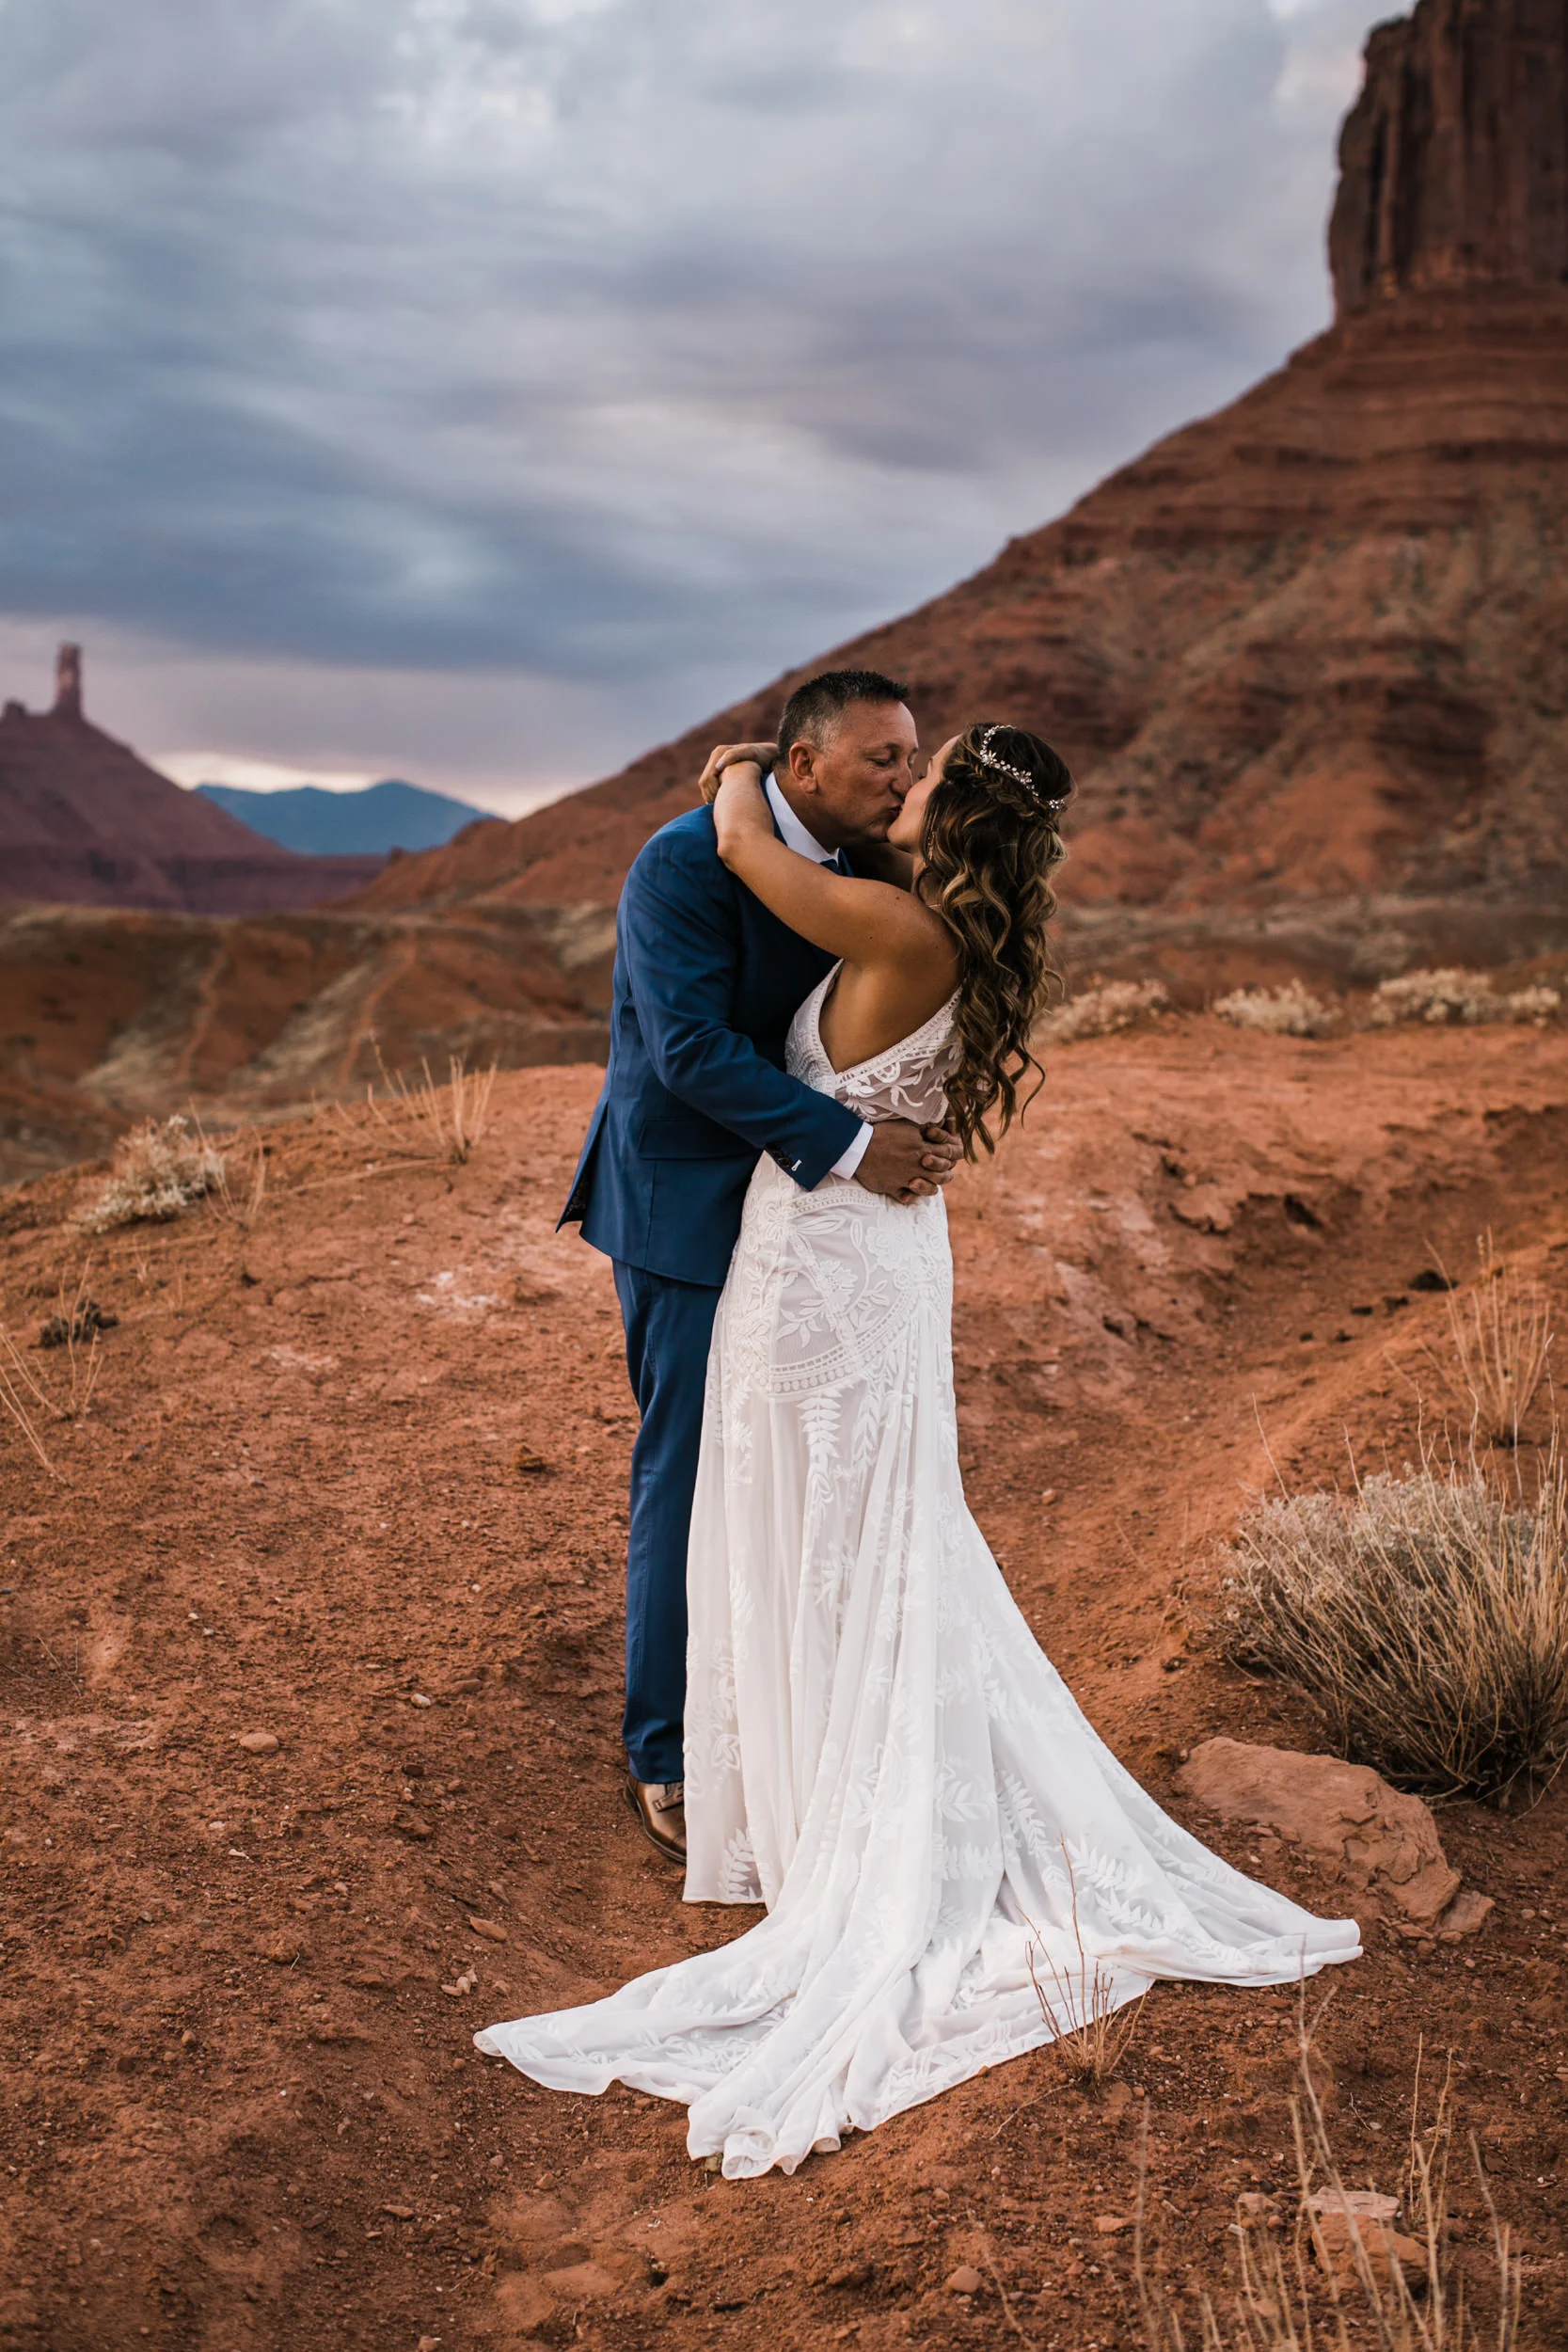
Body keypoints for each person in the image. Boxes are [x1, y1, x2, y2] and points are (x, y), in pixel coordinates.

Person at [480, 721, 1360, 2178]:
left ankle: (800, 1790)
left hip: (823, 1257)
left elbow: (749, 849)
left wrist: (723, 775)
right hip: (869, 1251)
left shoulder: (893, 922)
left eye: (922, 768)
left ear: (949, 808)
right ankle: (815, 1768)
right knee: (864, 1520)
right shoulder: (950, 932)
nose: (902, 782)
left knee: (810, 1515)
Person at [557, 668, 961, 1864]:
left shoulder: (860, 871)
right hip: (686, 1210)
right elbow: (685, 1051)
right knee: (685, 1476)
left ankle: (783, 1719)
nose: (901, 777)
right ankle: (669, 1748)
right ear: (805, 765)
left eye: (913, 760)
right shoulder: (681, 864)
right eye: (882, 758)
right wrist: (851, 1144)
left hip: (802, 1228)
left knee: (776, 1474)